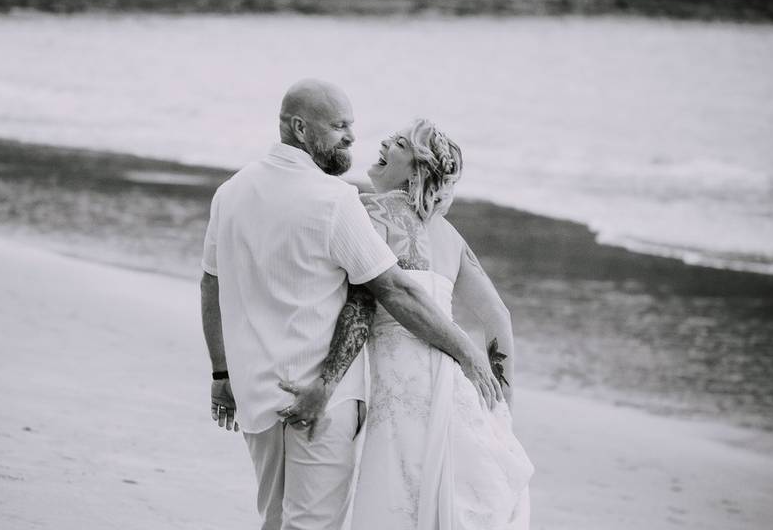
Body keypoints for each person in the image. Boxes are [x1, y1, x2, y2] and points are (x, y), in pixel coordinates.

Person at [199, 80, 501, 530]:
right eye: (340, 126)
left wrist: (222, 375)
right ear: (301, 128)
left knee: (276, 518)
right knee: (313, 524)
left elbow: (210, 286)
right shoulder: (335, 201)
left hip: (255, 391)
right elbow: (393, 292)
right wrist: (468, 354)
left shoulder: (231, 192)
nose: (353, 138)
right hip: (325, 395)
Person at [283, 119, 534, 529]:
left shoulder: (369, 211)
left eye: (399, 143)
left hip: (403, 391)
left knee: (398, 506)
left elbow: (359, 305)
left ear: (417, 170)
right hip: (455, 388)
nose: (384, 142)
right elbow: (499, 319)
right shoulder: (451, 237)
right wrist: (502, 410)